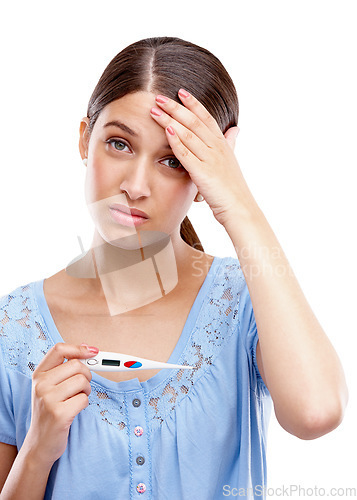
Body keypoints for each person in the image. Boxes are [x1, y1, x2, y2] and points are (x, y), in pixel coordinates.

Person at [0, 36, 348, 500]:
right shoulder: (12, 329)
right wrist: (37, 451)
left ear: (206, 174)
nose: (136, 185)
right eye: (119, 144)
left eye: (172, 160)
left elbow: (317, 413)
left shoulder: (245, 302)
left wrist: (237, 203)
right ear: (85, 139)